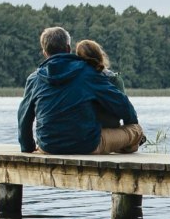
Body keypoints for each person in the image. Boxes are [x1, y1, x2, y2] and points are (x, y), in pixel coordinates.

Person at [16, 27, 142, 155]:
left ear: (45, 52)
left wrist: (28, 147)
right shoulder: (88, 73)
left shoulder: (34, 79)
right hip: (87, 145)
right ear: (68, 48)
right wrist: (129, 125)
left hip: (48, 147)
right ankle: (121, 146)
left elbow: (24, 118)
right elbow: (121, 103)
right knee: (136, 130)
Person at [72, 39, 145, 153]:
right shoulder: (111, 79)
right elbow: (125, 109)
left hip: (75, 135)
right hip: (96, 138)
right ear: (101, 55)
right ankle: (124, 145)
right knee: (136, 130)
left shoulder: (72, 79)